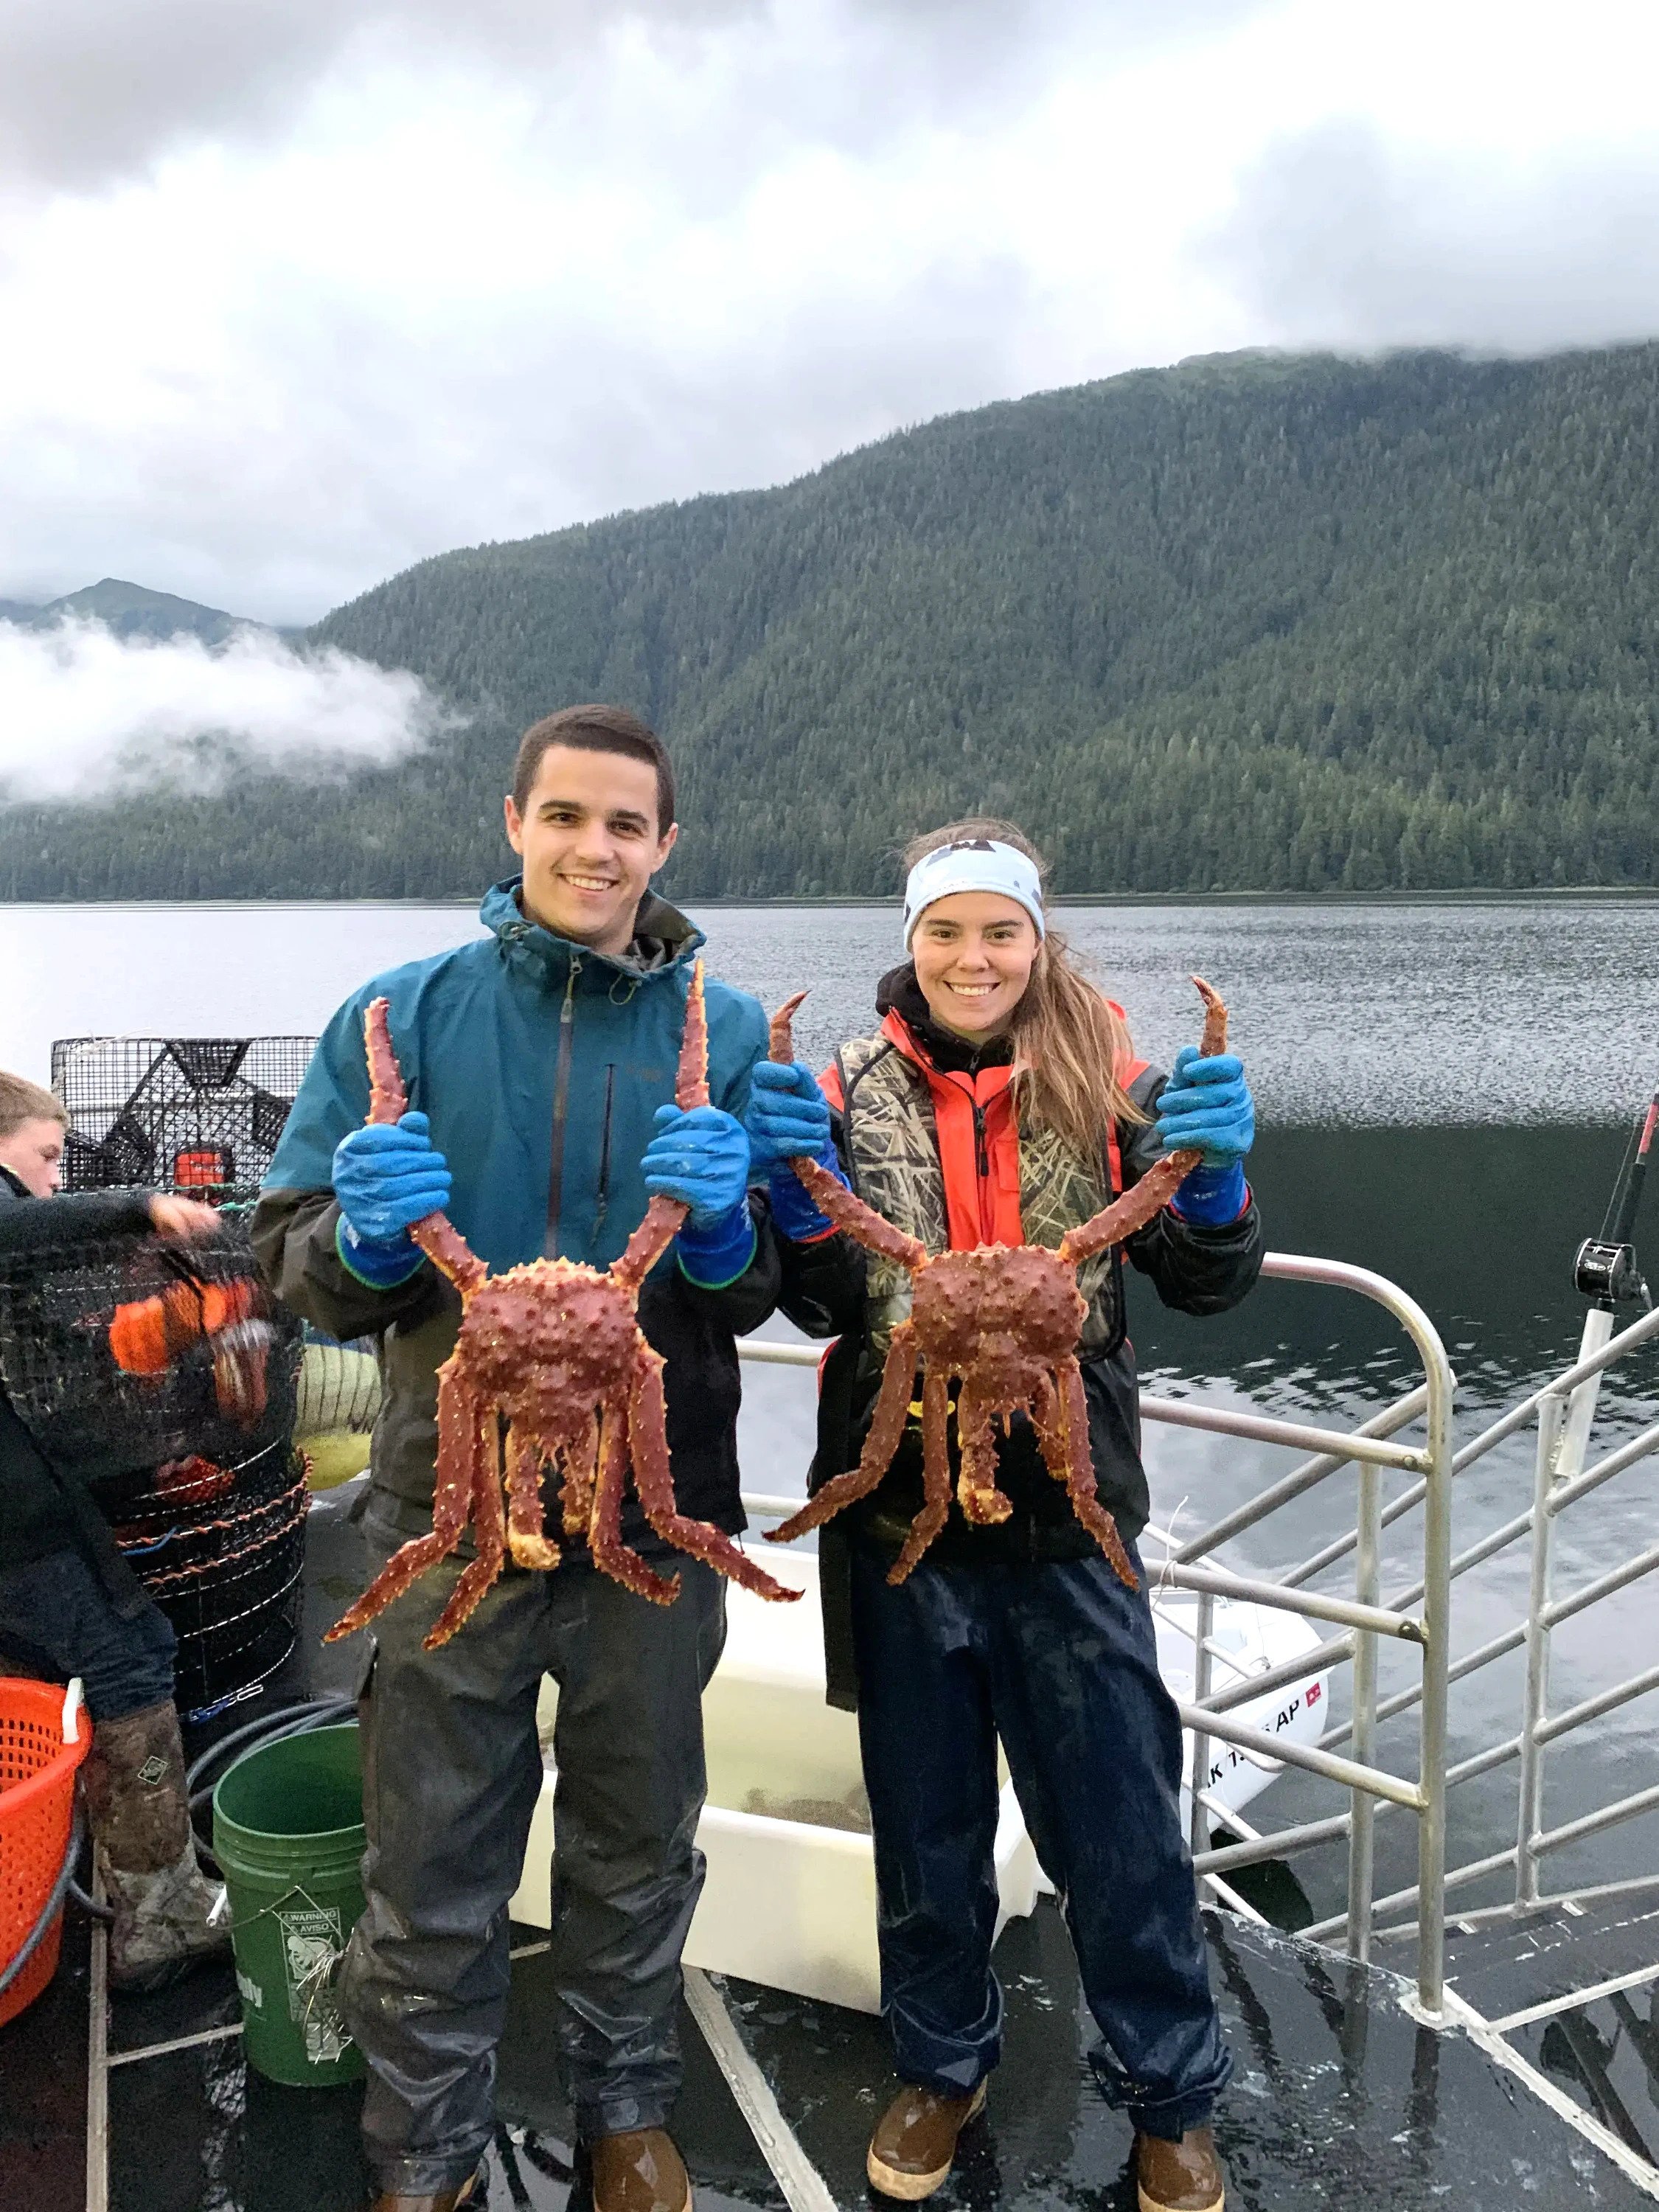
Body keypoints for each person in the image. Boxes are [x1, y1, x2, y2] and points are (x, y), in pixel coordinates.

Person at [253, 705, 778, 2212]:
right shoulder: (397, 1017)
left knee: (638, 1840)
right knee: (430, 1856)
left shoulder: (726, 1035)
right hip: (443, 1505)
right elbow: (290, 1258)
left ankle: (626, 2109)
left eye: (626, 825)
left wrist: (735, 1229)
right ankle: (422, 2147)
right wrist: (353, 1238)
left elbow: (757, 1290)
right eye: (567, 817)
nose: (594, 848)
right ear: (514, 823)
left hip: (656, 1521)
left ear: (663, 846)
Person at [745, 823, 1263, 2212]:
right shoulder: (841, 1088)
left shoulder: (1114, 1077)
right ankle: (940, 2066)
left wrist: (1213, 1185)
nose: (973, 958)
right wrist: (783, 1193)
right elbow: (809, 1296)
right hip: (895, 1490)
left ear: (1039, 942)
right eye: (945, 932)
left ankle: (1172, 2096)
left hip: (1071, 1506)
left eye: (1001, 932)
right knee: (923, 1821)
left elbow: (1204, 1278)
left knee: (1122, 1822)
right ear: (910, 943)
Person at [0, 1070, 230, 1992]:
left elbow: (51, 1390)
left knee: (34, 1683)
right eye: (47, 1156)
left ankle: (56, 1878)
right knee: (131, 1660)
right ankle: (159, 1917)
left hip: (24, 1508)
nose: (52, 1181)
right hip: (20, 1528)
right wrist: (142, 1206)